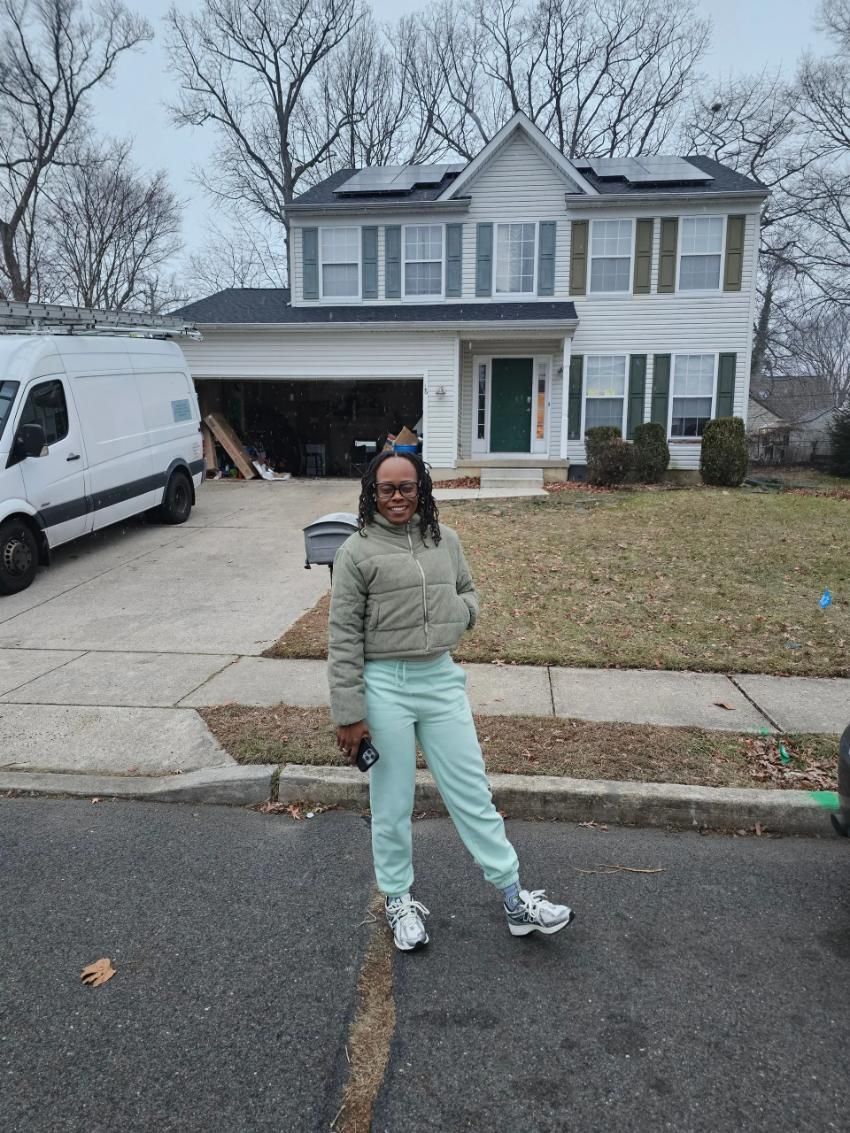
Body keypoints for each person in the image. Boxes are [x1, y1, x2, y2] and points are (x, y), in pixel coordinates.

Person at [328, 450, 575, 952]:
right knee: (392, 802)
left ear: (423, 489)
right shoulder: (356, 551)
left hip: (440, 679)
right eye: (387, 489)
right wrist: (349, 715)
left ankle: (514, 898)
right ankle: (398, 900)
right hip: (384, 686)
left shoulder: (446, 540)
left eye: (407, 487)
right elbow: (343, 637)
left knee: (472, 793)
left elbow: (469, 591)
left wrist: (461, 614)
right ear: (371, 494)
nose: (397, 497)